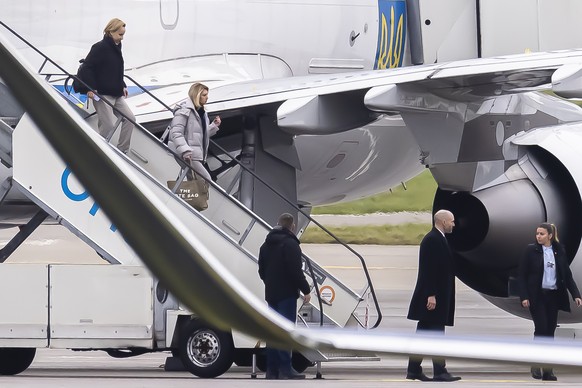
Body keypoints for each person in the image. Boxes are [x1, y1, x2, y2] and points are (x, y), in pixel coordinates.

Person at [518, 222, 582, 381]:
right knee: (541, 329)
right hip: (537, 296)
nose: (538, 236)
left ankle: (548, 370)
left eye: (541, 234)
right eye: (537, 234)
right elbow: (522, 276)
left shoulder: (559, 250)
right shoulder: (530, 251)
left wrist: (575, 294)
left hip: (553, 296)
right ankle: (535, 364)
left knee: (549, 332)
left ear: (550, 236)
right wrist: (524, 296)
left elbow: (567, 275)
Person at [406, 209, 461, 382]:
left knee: (424, 334)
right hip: (433, 297)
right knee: (436, 334)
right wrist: (431, 294)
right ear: (443, 222)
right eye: (451, 221)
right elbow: (428, 269)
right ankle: (440, 371)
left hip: (438, 295)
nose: (453, 224)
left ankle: (414, 370)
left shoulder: (440, 239)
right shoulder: (432, 240)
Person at [258, 213, 311, 380]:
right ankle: (285, 369)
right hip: (287, 294)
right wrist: (306, 289)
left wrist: (270, 283)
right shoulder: (290, 245)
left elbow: (261, 270)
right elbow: (296, 271)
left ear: (277, 224)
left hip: (271, 293)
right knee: (286, 331)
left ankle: (271, 370)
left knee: (273, 332)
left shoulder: (265, 245)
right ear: (292, 226)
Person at [83, 18, 134, 154]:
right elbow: (87, 68)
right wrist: (90, 88)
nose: (122, 38)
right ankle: (102, 153)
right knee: (108, 126)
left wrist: (122, 84)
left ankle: (122, 151)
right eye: (120, 34)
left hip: (116, 93)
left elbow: (116, 69)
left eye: (123, 34)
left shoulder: (116, 47)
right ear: (110, 32)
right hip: (102, 94)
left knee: (130, 119)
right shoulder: (100, 47)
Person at [167, 83, 220, 182]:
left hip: (194, 154)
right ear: (197, 96)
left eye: (207, 95)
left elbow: (199, 134)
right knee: (205, 180)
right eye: (204, 95)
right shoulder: (184, 110)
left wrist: (213, 126)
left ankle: (191, 198)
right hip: (188, 153)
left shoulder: (202, 113)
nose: (207, 98)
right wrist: (185, 150)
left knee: (196, 182)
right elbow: (176, 132)